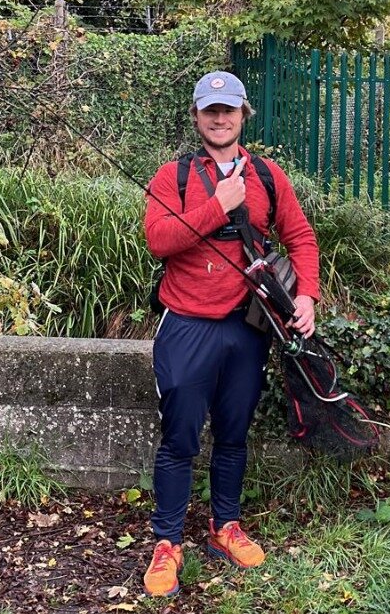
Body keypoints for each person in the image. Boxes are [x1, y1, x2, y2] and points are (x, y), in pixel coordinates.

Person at [142, 70, 320, 597]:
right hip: (187, 326)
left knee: (233, 433)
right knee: (179, 438)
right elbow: (159, 240)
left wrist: (307, 294)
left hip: (246, 328)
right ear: (196, 117)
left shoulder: (268, 176)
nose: (220, 119)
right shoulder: (171, 176)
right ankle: (167, 542)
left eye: (229, 110)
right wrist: (218, 203)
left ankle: (225, 527)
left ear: (244, 115)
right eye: (209, 110)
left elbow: (301, 236)